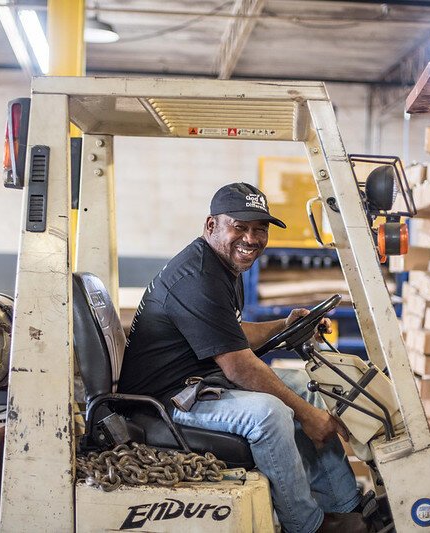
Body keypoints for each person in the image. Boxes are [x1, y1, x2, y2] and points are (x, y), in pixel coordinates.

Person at [117, 182, 365, 533]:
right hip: (165, 402)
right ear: (211, 225)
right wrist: (309, 417)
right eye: (240, 227)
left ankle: (346, 506)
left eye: (259, 229)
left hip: (198, 386)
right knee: (270, 414)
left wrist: (286, 324)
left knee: (305, 385)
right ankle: (306, 525)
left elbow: (229, 335)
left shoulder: (223, 266)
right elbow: (238, 366)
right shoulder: (197, 277)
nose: (251, 239)